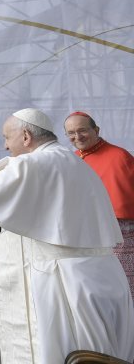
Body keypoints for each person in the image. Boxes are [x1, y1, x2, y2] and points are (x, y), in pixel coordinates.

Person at [0, 108, 134, 363]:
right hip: (95, 277)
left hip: (61, 282)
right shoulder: (70, 160)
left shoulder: (36, 163)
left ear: (26, 136)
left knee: (58, 350)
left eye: (6, 137)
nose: (6, 147)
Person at [64, 110, 134, 299]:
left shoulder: (118, 156)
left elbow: (123, 203)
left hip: (118, 232)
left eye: (82, 130)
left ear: (96, 129)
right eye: (71, 133)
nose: (77, 137)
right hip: (85, 233)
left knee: (123, 285)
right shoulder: (73, 157)